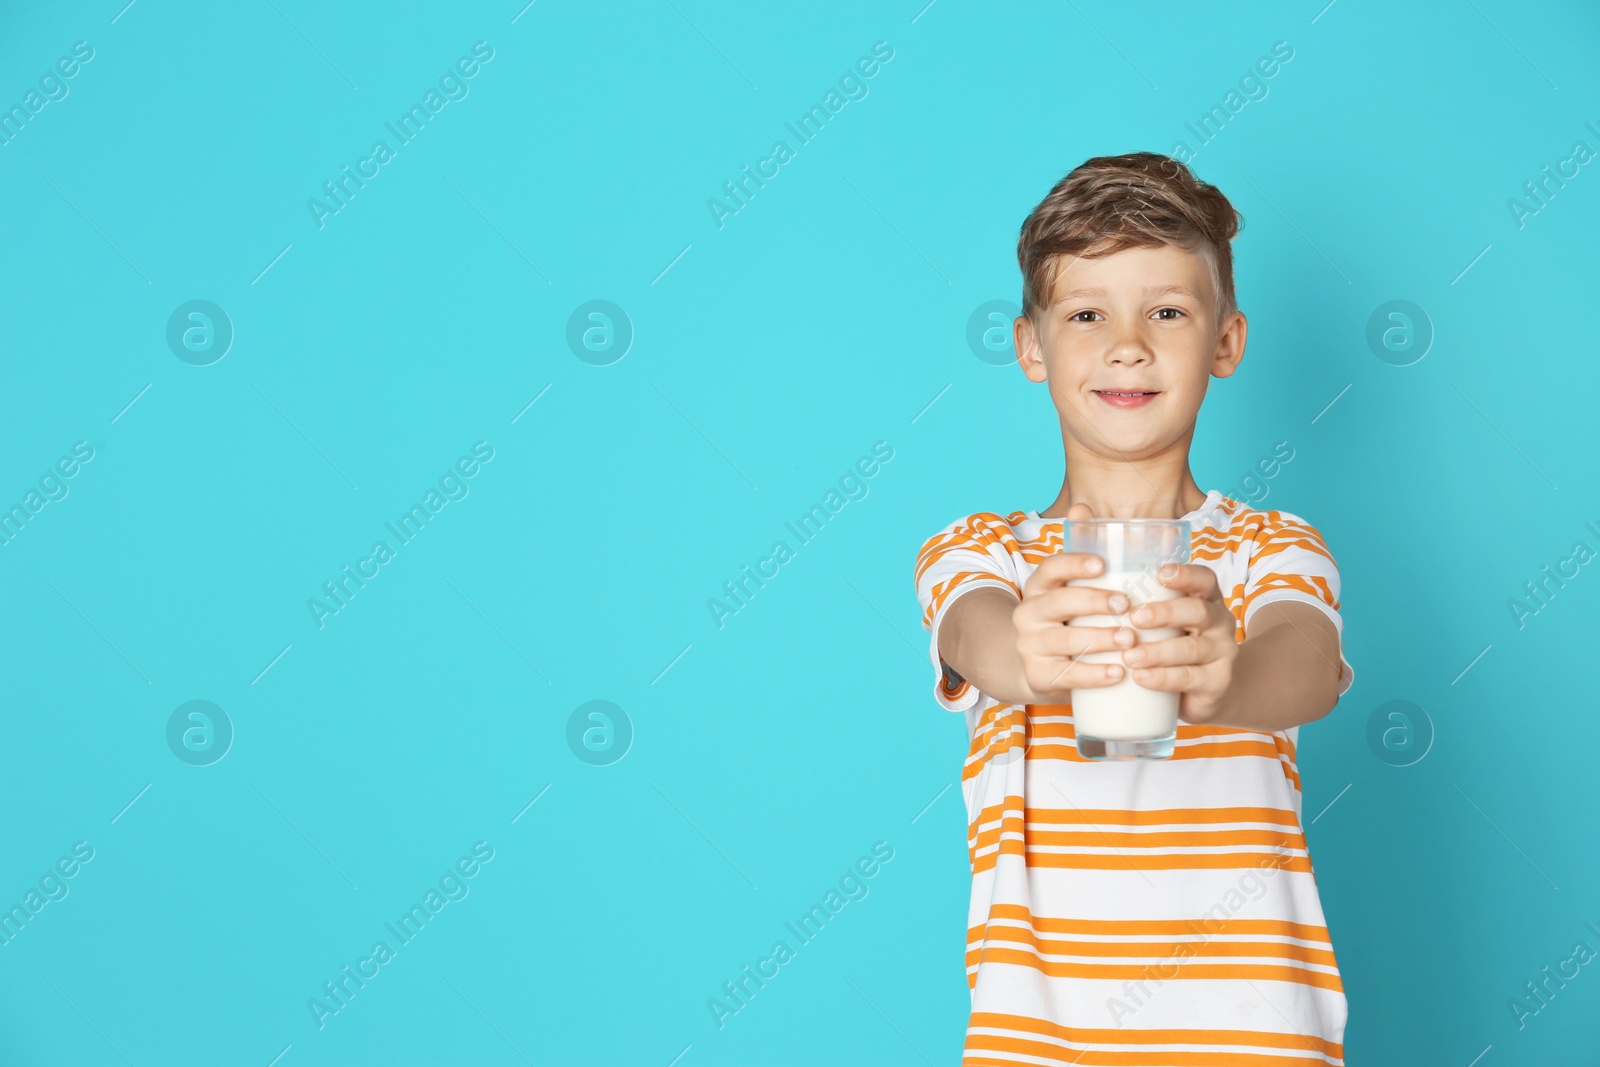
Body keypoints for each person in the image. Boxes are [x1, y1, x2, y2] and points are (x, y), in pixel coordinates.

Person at [913, 151, 1354, 1065]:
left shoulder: (1271, 548)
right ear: (1032, 346)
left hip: (1256, 1042)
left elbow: (1305, 661)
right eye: (1085, 314)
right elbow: (975, 630)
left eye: (1167, 311)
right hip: (1039, 1044)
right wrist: (1028, 657)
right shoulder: (983, 551)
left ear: (1226, 342)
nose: (1128, 344)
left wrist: (1223, 680)